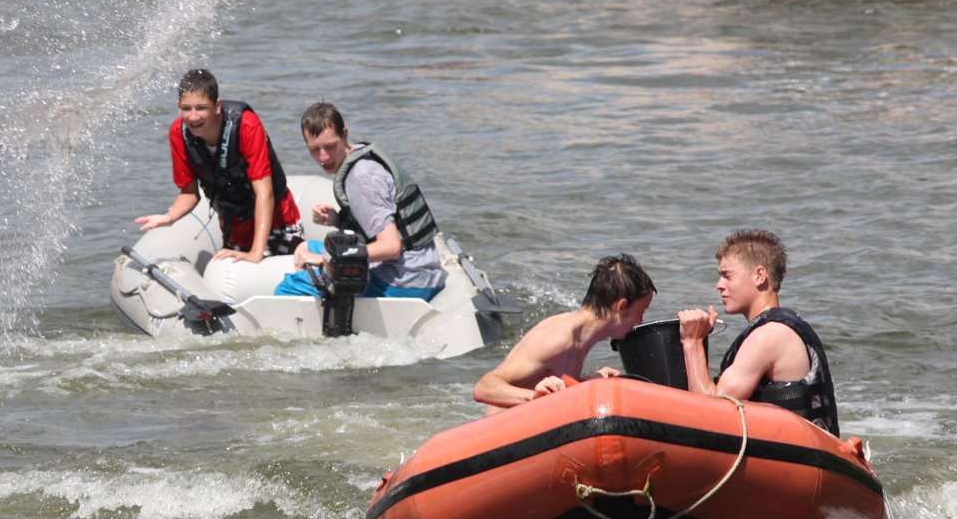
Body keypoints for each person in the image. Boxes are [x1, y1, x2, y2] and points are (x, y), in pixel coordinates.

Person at [273, 102, 447, 300]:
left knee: (287, 290)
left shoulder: (361, 177)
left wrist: (326, 259)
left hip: (405, 281)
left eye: (330, 146)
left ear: (344, 134)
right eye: (314, 149)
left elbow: (391, 247)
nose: (323, 157)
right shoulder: (359, 157)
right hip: (420, 270)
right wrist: (337, 220)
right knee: (305, 248)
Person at [677, 229, 839, 434]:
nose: (719, 286)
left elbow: (709, 412)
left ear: (759, 276)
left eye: (727, 276)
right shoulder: (785, 325)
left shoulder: (769, 336)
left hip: (792, 459)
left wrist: (692, 341)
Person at [134, 68, 304, 263]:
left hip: (276, 216)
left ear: (217, 106)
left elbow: (265, 192)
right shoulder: (178, 134)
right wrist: (169, 217)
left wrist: (256, 253)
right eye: (186, 108)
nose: (193, 117)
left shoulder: (246, 125)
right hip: (234, 222)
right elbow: (189, 193)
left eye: (201, 108)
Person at [474, 255, 656, 408]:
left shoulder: (581, 340)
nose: (641, 321)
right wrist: (534, 398)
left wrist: (590, 381)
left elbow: (552, 382)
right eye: (642, 311)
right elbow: (484, 387)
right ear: (621, 306)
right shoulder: (557, 338)